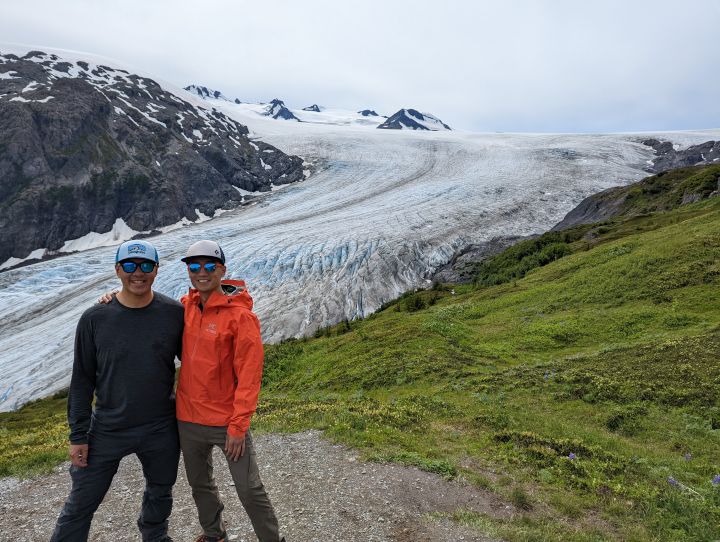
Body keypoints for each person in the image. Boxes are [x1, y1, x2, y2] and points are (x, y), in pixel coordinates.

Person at [51, 240, 184, 542]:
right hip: (108, 428)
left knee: (160, 490)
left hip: (160, 426)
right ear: (117, 270)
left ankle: (155, 537)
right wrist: (78, 435)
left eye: (146, 265)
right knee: (81, 503)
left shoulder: (174, 313)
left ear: (156, 270)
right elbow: (82, 380)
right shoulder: (95, 318)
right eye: (129, 266)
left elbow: (197, 362)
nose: (138, 272)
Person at [176, 240, 284, 542]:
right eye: (194, 266)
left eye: (210, 265)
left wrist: (238, 425)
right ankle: (214, 535)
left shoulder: (241, 317)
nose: (202, 272)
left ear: (222, 270)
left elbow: (250, 375)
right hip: (188, 419)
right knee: (200, 485)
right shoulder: (186, 307)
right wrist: (113, 298)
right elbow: (146, 306)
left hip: (226, 422)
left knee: (249, 489)